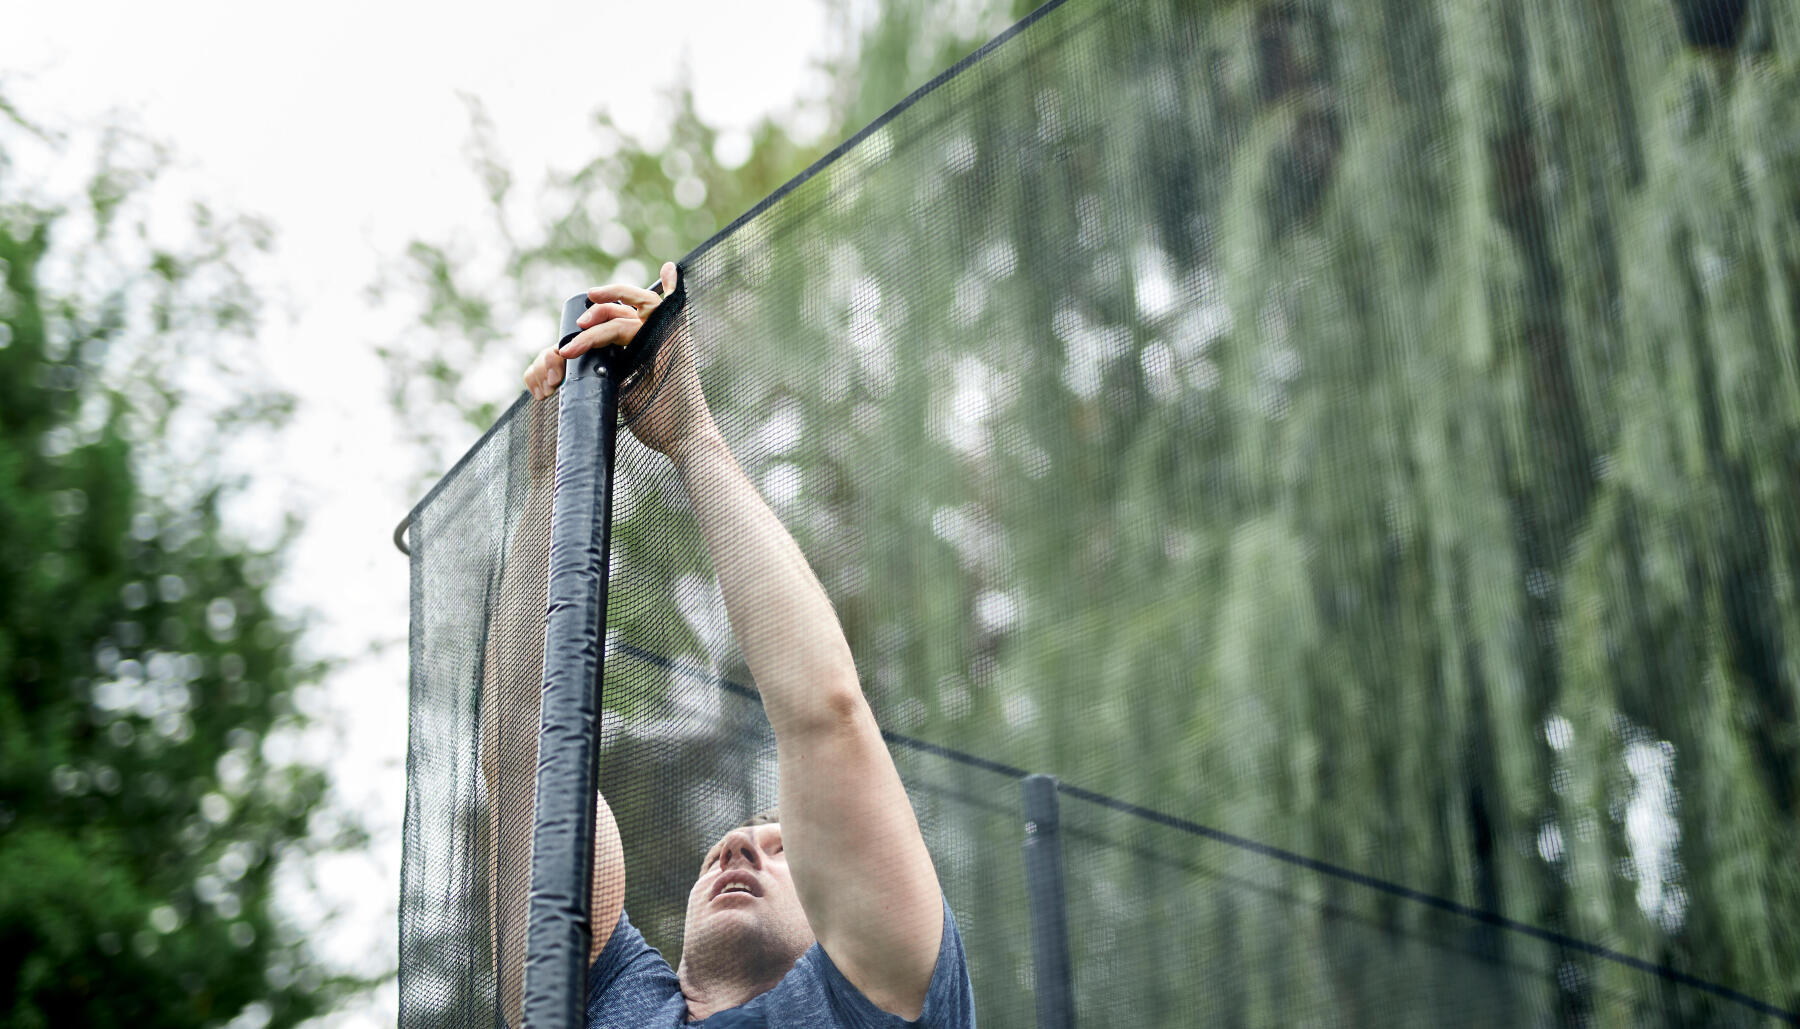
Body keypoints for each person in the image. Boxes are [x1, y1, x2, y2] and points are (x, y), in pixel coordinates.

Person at [495, 261, 977, 1028]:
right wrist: (552, 478)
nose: (736, 848)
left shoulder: (874, 1001)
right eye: (735, 844)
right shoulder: (608, 1005)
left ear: (843, 899)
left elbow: (825, 715)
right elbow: (527, 753)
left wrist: (691, 434)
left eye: (784, 848)